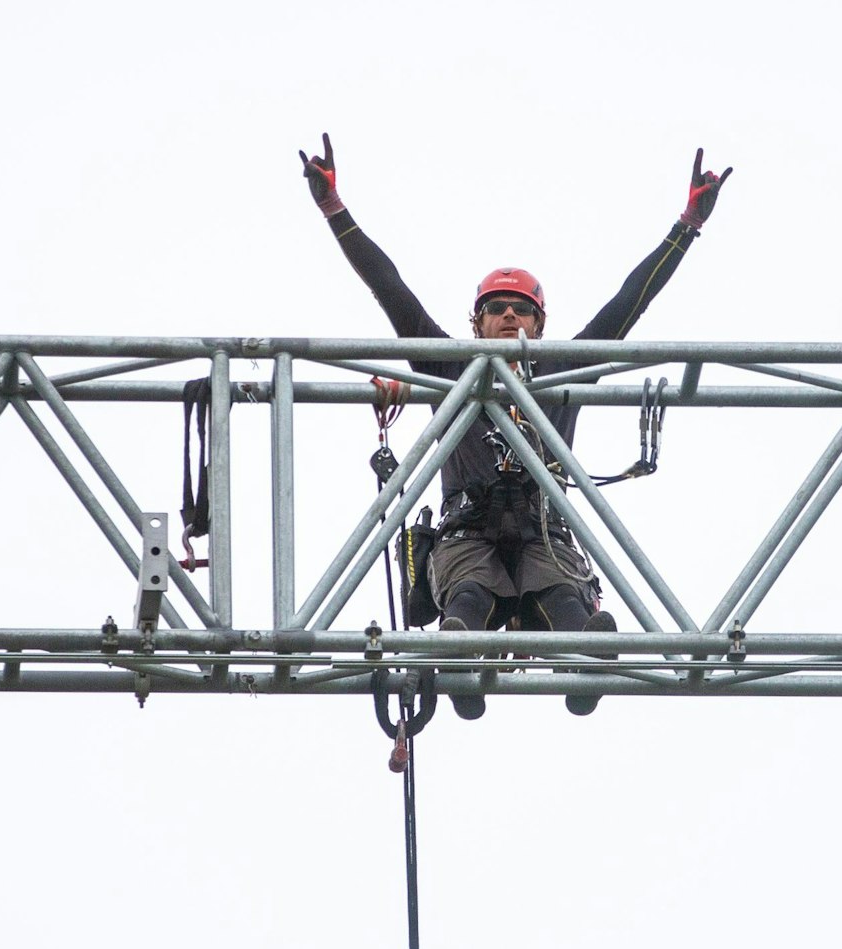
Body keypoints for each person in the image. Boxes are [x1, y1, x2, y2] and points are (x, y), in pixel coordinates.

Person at [298, 133, 730, 717]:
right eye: (496, 309)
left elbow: (630, 303)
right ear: (475, 323)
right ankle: (458, 657)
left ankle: (581, 658)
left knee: (562, 596)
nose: (508, 315)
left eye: (520, 309)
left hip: (542, 530)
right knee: (469, 595)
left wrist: (687, 225)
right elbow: (390, 289)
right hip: (466, 531)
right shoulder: (449, 365)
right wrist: (334, 210)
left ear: (539, 323)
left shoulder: (560, 370)